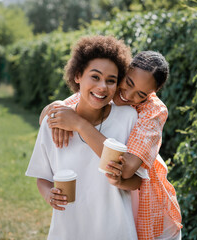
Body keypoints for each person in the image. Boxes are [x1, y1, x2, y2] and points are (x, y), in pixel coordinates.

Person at [41, 51, 183, 239]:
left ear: (150, 95)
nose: (128, 95)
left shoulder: (153, 110)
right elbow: (50, 114)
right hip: (118, 204)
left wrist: (79, 124)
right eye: (128, 83)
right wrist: (55, 108)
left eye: (140, 94)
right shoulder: (106, 91)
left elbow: (126, 170)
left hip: (149, 207)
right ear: (124, 72)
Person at [26, 35, 149, 239]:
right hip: (69, 230)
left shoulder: (128, 117)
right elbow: (43, 177)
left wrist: (119, 181)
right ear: (77, 76)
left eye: (111, 81)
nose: (102, 86)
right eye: (95, 77)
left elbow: (137, 181)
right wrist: (48, 194)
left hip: (116, 231)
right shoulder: (53, 123)